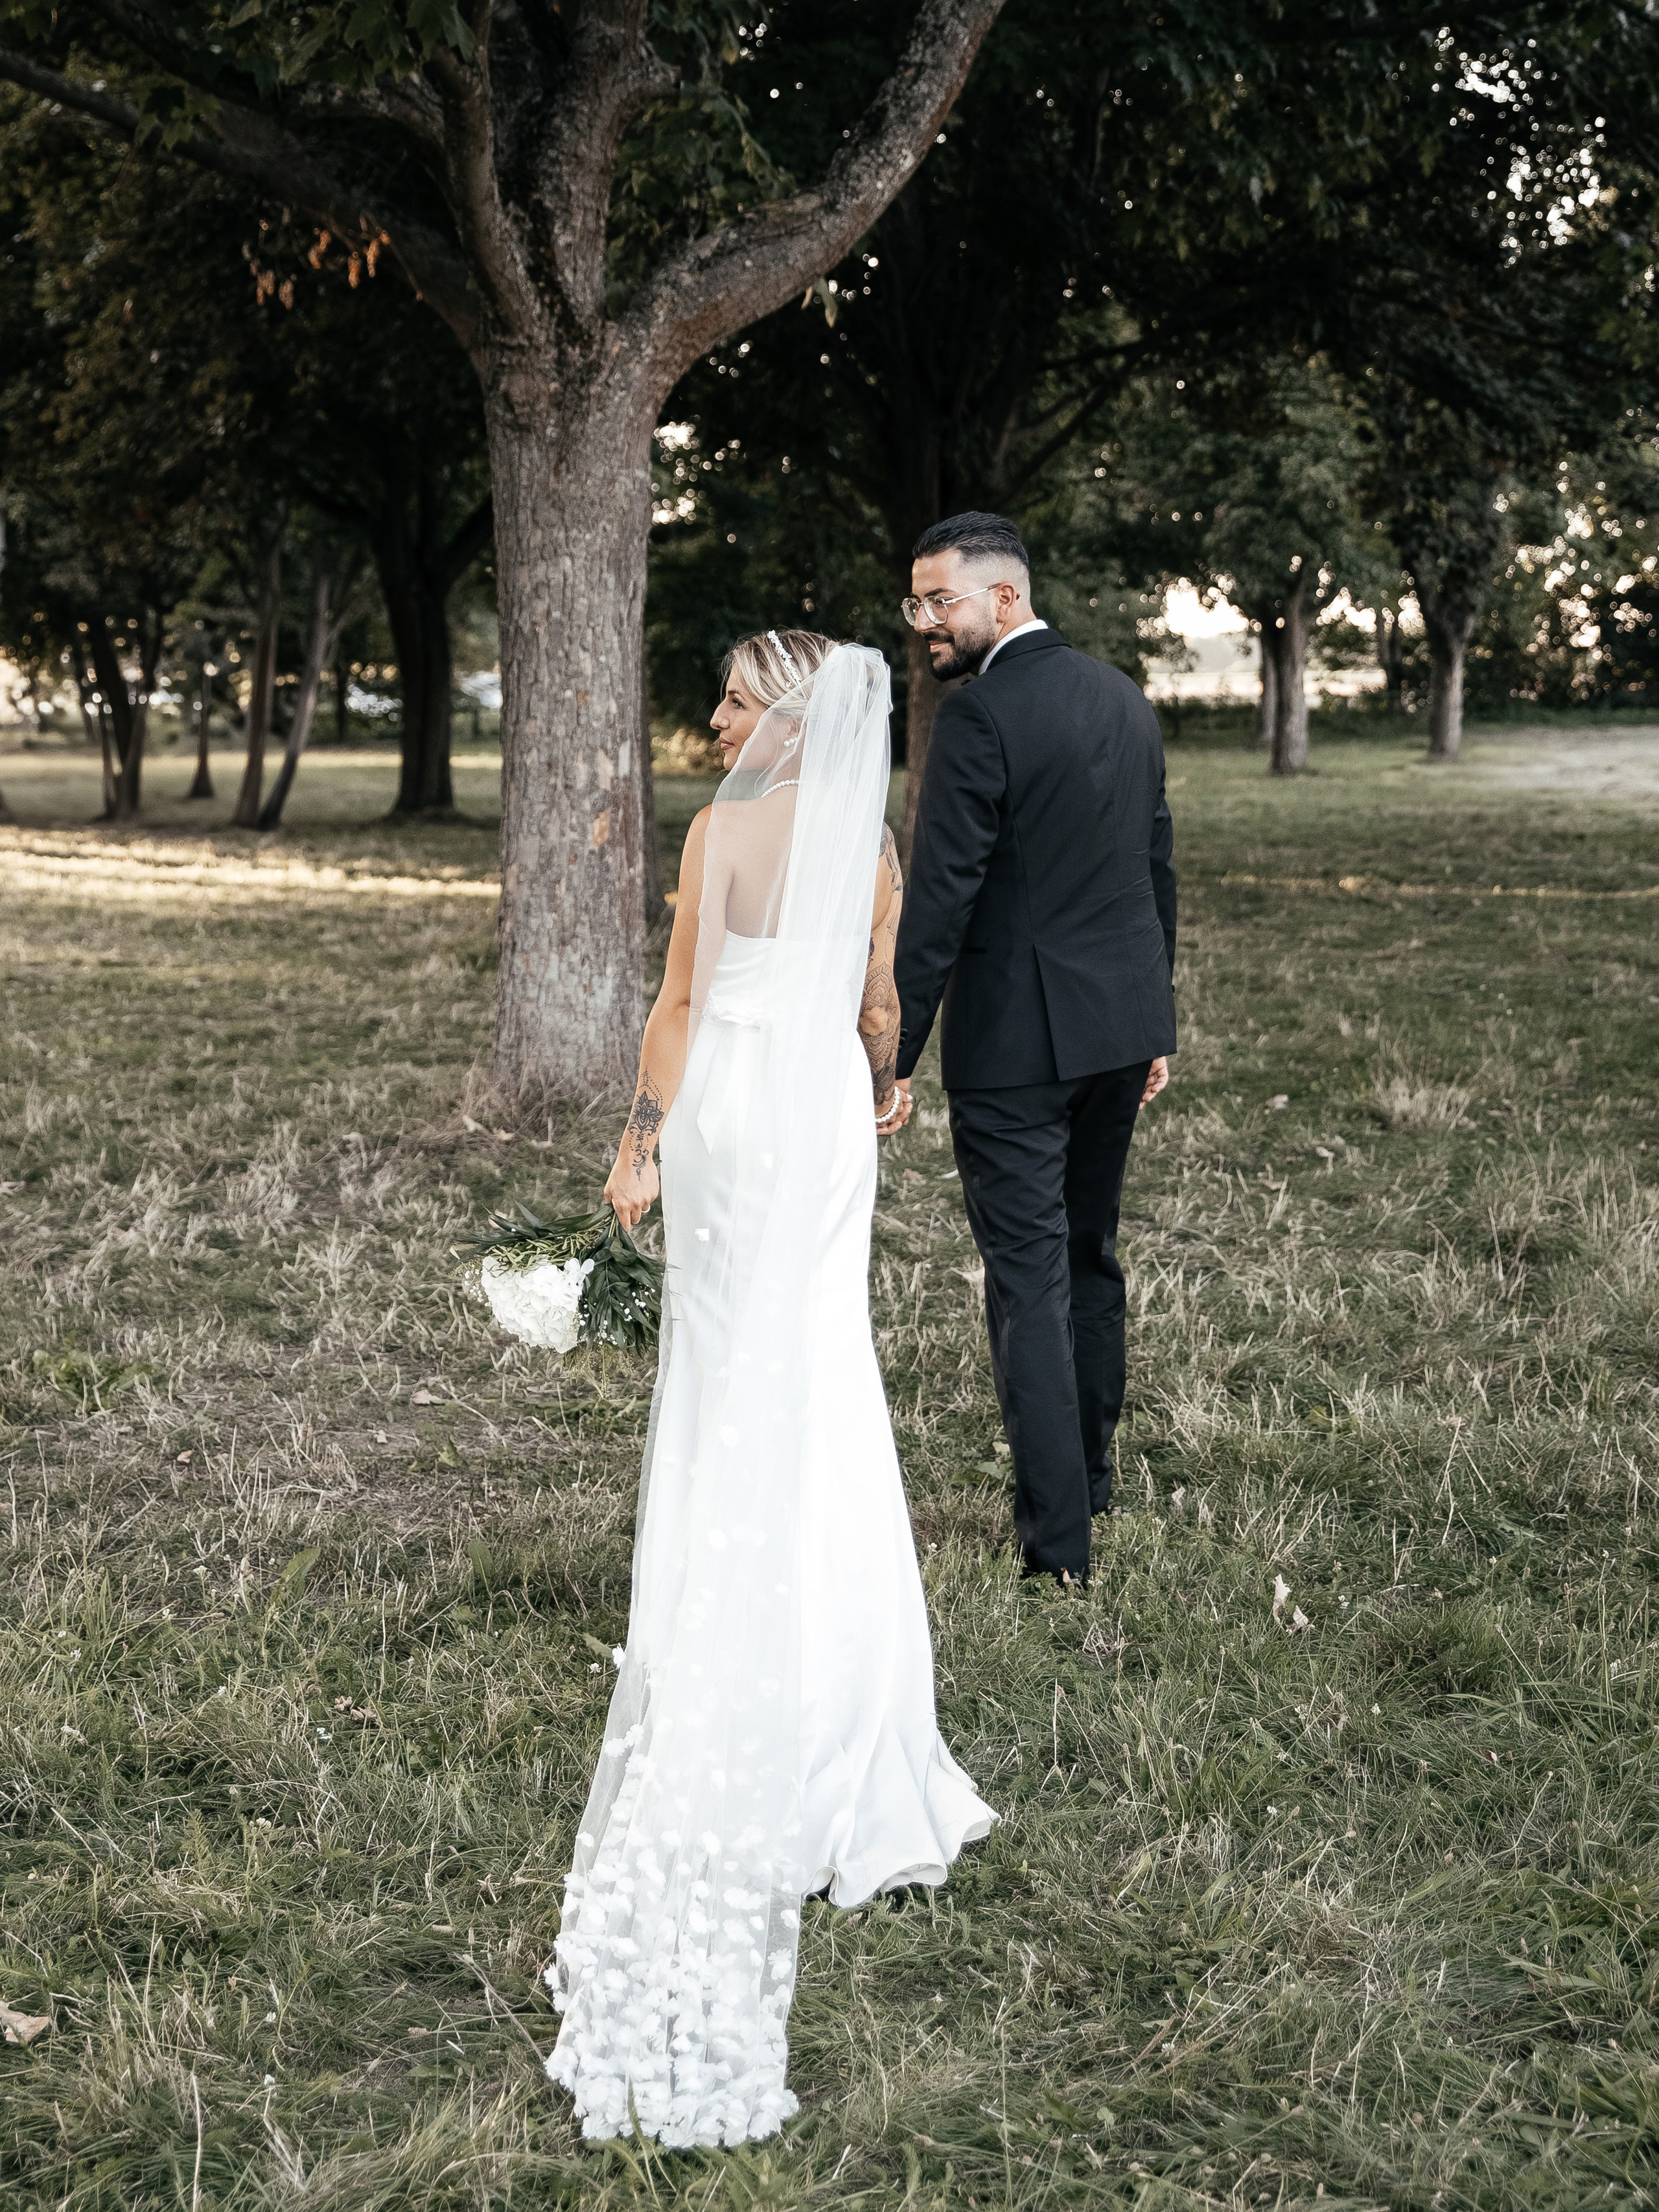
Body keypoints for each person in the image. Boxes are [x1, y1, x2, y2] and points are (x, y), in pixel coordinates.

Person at [544, 629, 993, 2147]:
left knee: (733, 1365)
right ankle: (846, 1704)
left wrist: (638, 1144)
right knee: (820, 1369)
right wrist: (884, 1076)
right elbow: (877, 1002)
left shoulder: (724, 832)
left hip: (736, 1111)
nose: (720, 715)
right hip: (822, 1120)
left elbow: (674, 1005)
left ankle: (712, 1625)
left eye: (739, 697)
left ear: (790, 720)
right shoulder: (863, 837)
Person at [892, 513, 1177, 1589]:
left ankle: (1059, 1549)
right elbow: (1154, 871)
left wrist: (894, 1054)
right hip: (1115, 1032)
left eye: (940, 600)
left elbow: (940, 907)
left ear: (1002, 599)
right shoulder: (1121, 696)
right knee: (1087, 1253)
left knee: (1031, 1283)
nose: (925, 622)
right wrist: (1156, 1019)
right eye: (916, 603)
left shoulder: (979, 719)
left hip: (1018, 1049)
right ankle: (1090, 1478)